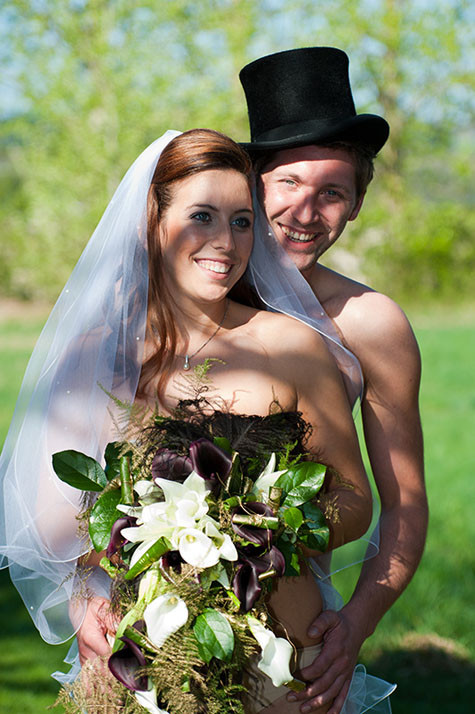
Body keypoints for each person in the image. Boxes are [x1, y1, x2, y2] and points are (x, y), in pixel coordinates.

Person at [0, 128, 394, 713]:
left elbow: (355, 500)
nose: (226, 242)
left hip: (282, 665)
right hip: (142, 662)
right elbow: (55, 530)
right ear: (150, 223)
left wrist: (259, 526)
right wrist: (87, 598)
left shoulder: (293, 347)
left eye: (241, 221)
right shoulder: (97, 356)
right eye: (202, 216)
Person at [239, 47, 428, 713]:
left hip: (297, 627)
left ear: (354, 204)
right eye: (287, 182)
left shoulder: (370, 322)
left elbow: (403, 501)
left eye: (331, 192)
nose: (305, 210)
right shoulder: (184, 302)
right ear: (251, 184)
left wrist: (357, 620)